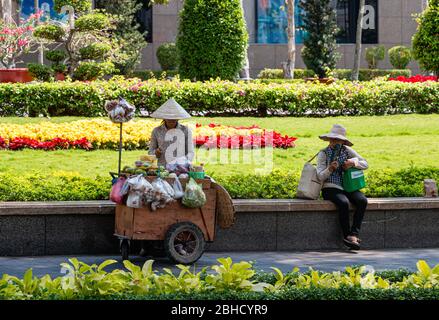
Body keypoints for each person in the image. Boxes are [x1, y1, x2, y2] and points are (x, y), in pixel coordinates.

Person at [316, 124, 368, 250]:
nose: (335, 142)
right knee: (343, 202)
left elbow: (365, 164)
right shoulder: (323, 153)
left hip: (348, 185)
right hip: (330, 187)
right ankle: (347, 237)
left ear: (343, 141)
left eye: (338, 140)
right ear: (329, 139)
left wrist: (352, 162)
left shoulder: (347, 151)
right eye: (333, 139)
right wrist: (330, 169)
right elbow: (320, 176)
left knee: (362, 200)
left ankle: (354, 234)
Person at [148, 98, 194, 167]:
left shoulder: (186, 131)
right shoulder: (156, 131)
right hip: (162, 169)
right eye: (168, 117)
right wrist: (156, 153)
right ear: (164, 117)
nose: (171, 120)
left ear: (178, 117)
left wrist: (182, 163)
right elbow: (150, 152)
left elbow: (190, 153)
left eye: (174, 118)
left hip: (181, 169)